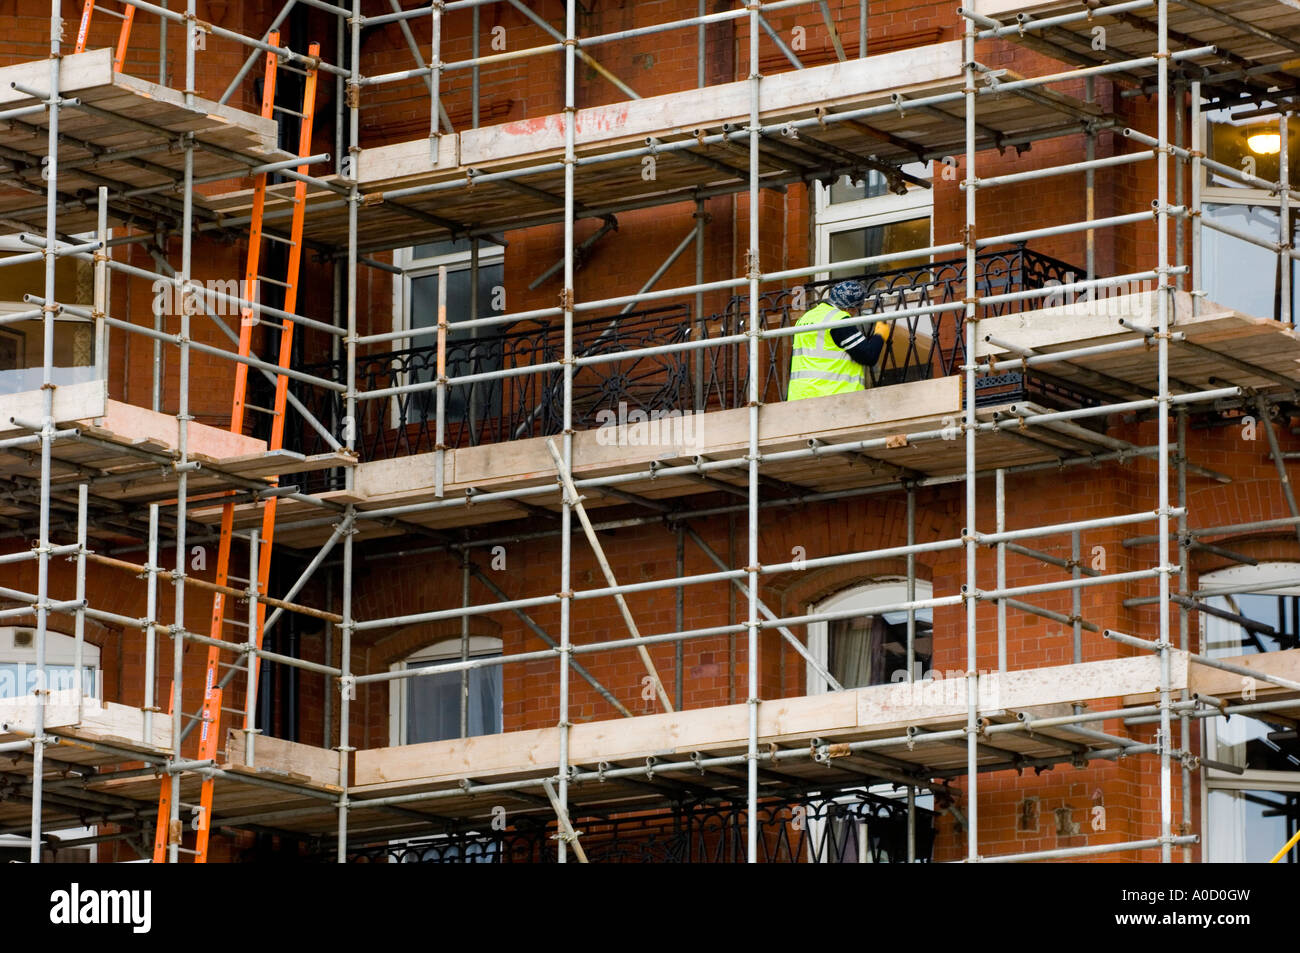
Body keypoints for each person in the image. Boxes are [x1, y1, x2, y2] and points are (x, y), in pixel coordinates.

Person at [787, 279, 887, 400]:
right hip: (833, 396)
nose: (855, 313)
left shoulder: (805, 318)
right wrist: (880, 334)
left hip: (799, 397)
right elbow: (868, 356)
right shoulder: (838, 319)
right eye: (856, 309)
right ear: (851, 308)